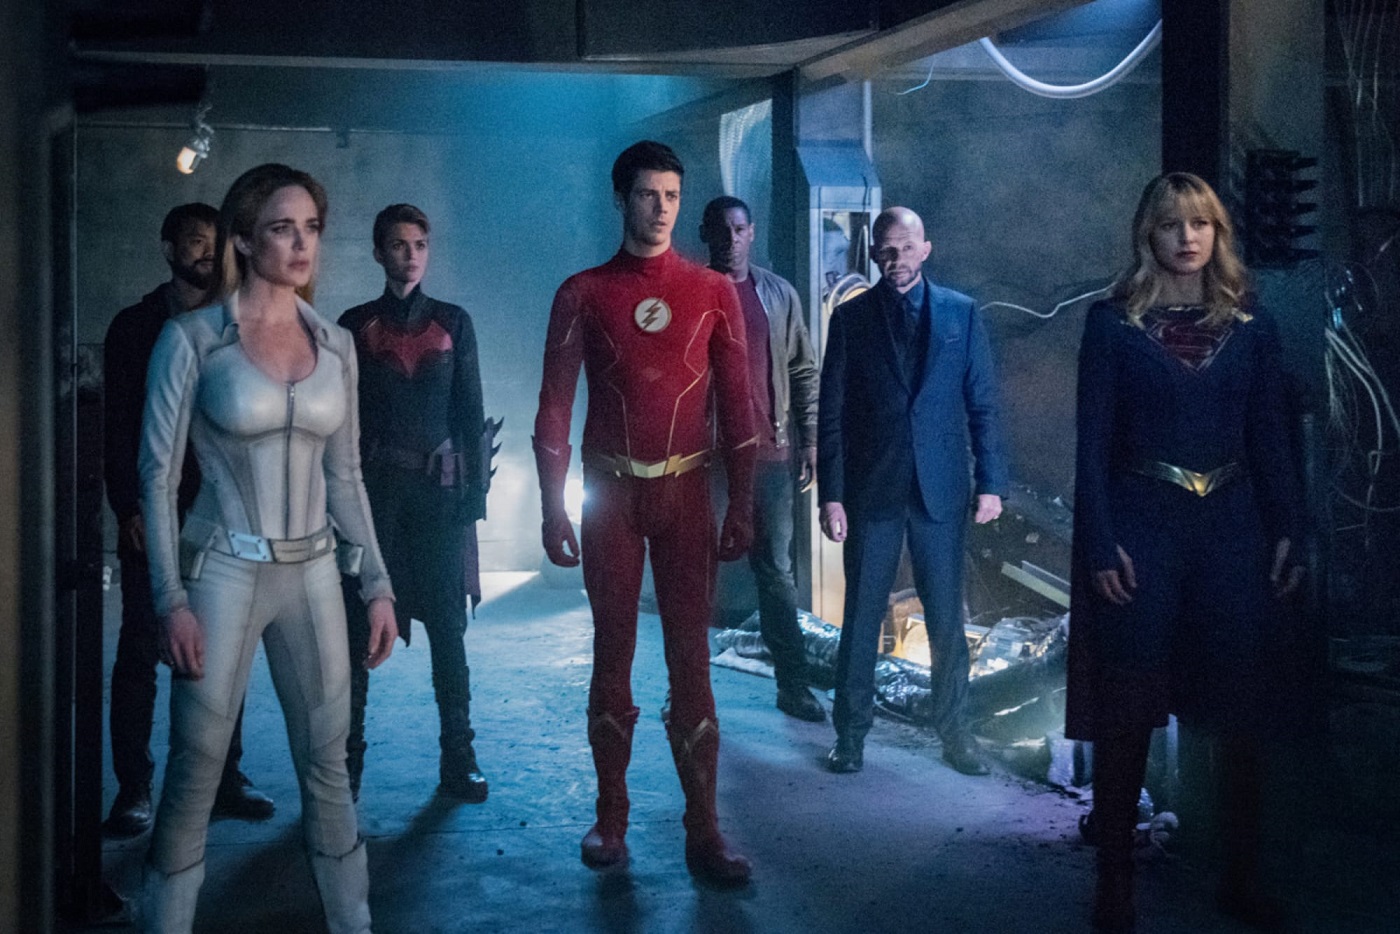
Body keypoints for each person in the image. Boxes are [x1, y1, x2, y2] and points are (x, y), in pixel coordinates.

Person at [139, 163, 398, 933]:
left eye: (311, 227)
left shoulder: (337, 345)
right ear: (245, 240)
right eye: (283, 228)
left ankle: (353, 923)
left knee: (328, 766)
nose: (301, 243)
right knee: (195, 768)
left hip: (314, 571)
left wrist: (377, 584)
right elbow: (157, 478)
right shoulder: (191, 339)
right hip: (221, 567)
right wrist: (169, 601)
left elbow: (346, 476)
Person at [1064, 172, 1304, 934]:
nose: (1187, 237)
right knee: (1128, 710)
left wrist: (1290, 529)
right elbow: (1092, 446)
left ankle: (1240, 878)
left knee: (1240, 713)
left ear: (1217, 233)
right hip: (1143, 528)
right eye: (1172, 224)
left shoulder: (1252, 328)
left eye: (1200, 223)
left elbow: (1271, 441)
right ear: (1150, 234)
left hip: (1231, 533)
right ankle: (1115, 884)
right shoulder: (1113, 326)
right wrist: (1100, 542)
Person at [534, 141, 756, 886]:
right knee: (613, 653)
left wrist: (741, 502)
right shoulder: (583, 293)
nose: (660, 208)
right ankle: (611, 816)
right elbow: (553, 411)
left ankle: (705, 829)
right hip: (612, 497)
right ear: (620, 200)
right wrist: (552, 509)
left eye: (671, 195)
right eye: (646, 194)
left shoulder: (713, 291)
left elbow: (740, 409)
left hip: (686, 495)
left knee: (691, 658)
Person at [817, 205, 1008, 777]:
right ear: (874, 253)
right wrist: (831, 494)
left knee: (947, 618)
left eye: (906, 247)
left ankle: (956, 734)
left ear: (926, 249)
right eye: (887, 248)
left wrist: (992, 483)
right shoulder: (851, 319)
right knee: (861, 617)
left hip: (940, 491)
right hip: (872, 489)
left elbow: (983, 404)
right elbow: (832, 414)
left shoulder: (961, 313)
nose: (896, 257)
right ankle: (850, 736)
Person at [103, 203, 273, 837]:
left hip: (223, 512)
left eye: (214, 243)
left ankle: (225, 778)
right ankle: (133, 789)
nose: (207, 253)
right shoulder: (136, 327)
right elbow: (117, 425)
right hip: (155, 510)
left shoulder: (238, 323)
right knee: (140, 650)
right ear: (168, 248)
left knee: (224, 651)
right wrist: (127, 506)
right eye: (195, 241)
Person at [339, 204, 489, 802]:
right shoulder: (354, 326)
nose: (411, 255)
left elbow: (470, 415)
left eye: (420, 244)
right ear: (379, 252)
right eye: (399, 245)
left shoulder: (453, 322)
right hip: (373, 500)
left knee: (449, 632)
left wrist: (473, 502)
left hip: (438, 501)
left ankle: (459, 758)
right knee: (357, 632)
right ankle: (345, 768)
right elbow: (340, 425)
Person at [699, 195, 824, 723]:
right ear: (706, 235)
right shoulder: (690, 292)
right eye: (722, 230)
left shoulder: (777, 294)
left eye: (739, 229)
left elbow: (803, 369)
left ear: (752, 233)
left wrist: (810, 438)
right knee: (696, 572)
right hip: (705, 458)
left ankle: (793, 686)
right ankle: (687, 691)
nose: (731, 240)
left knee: (775, 572)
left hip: (769, 454)